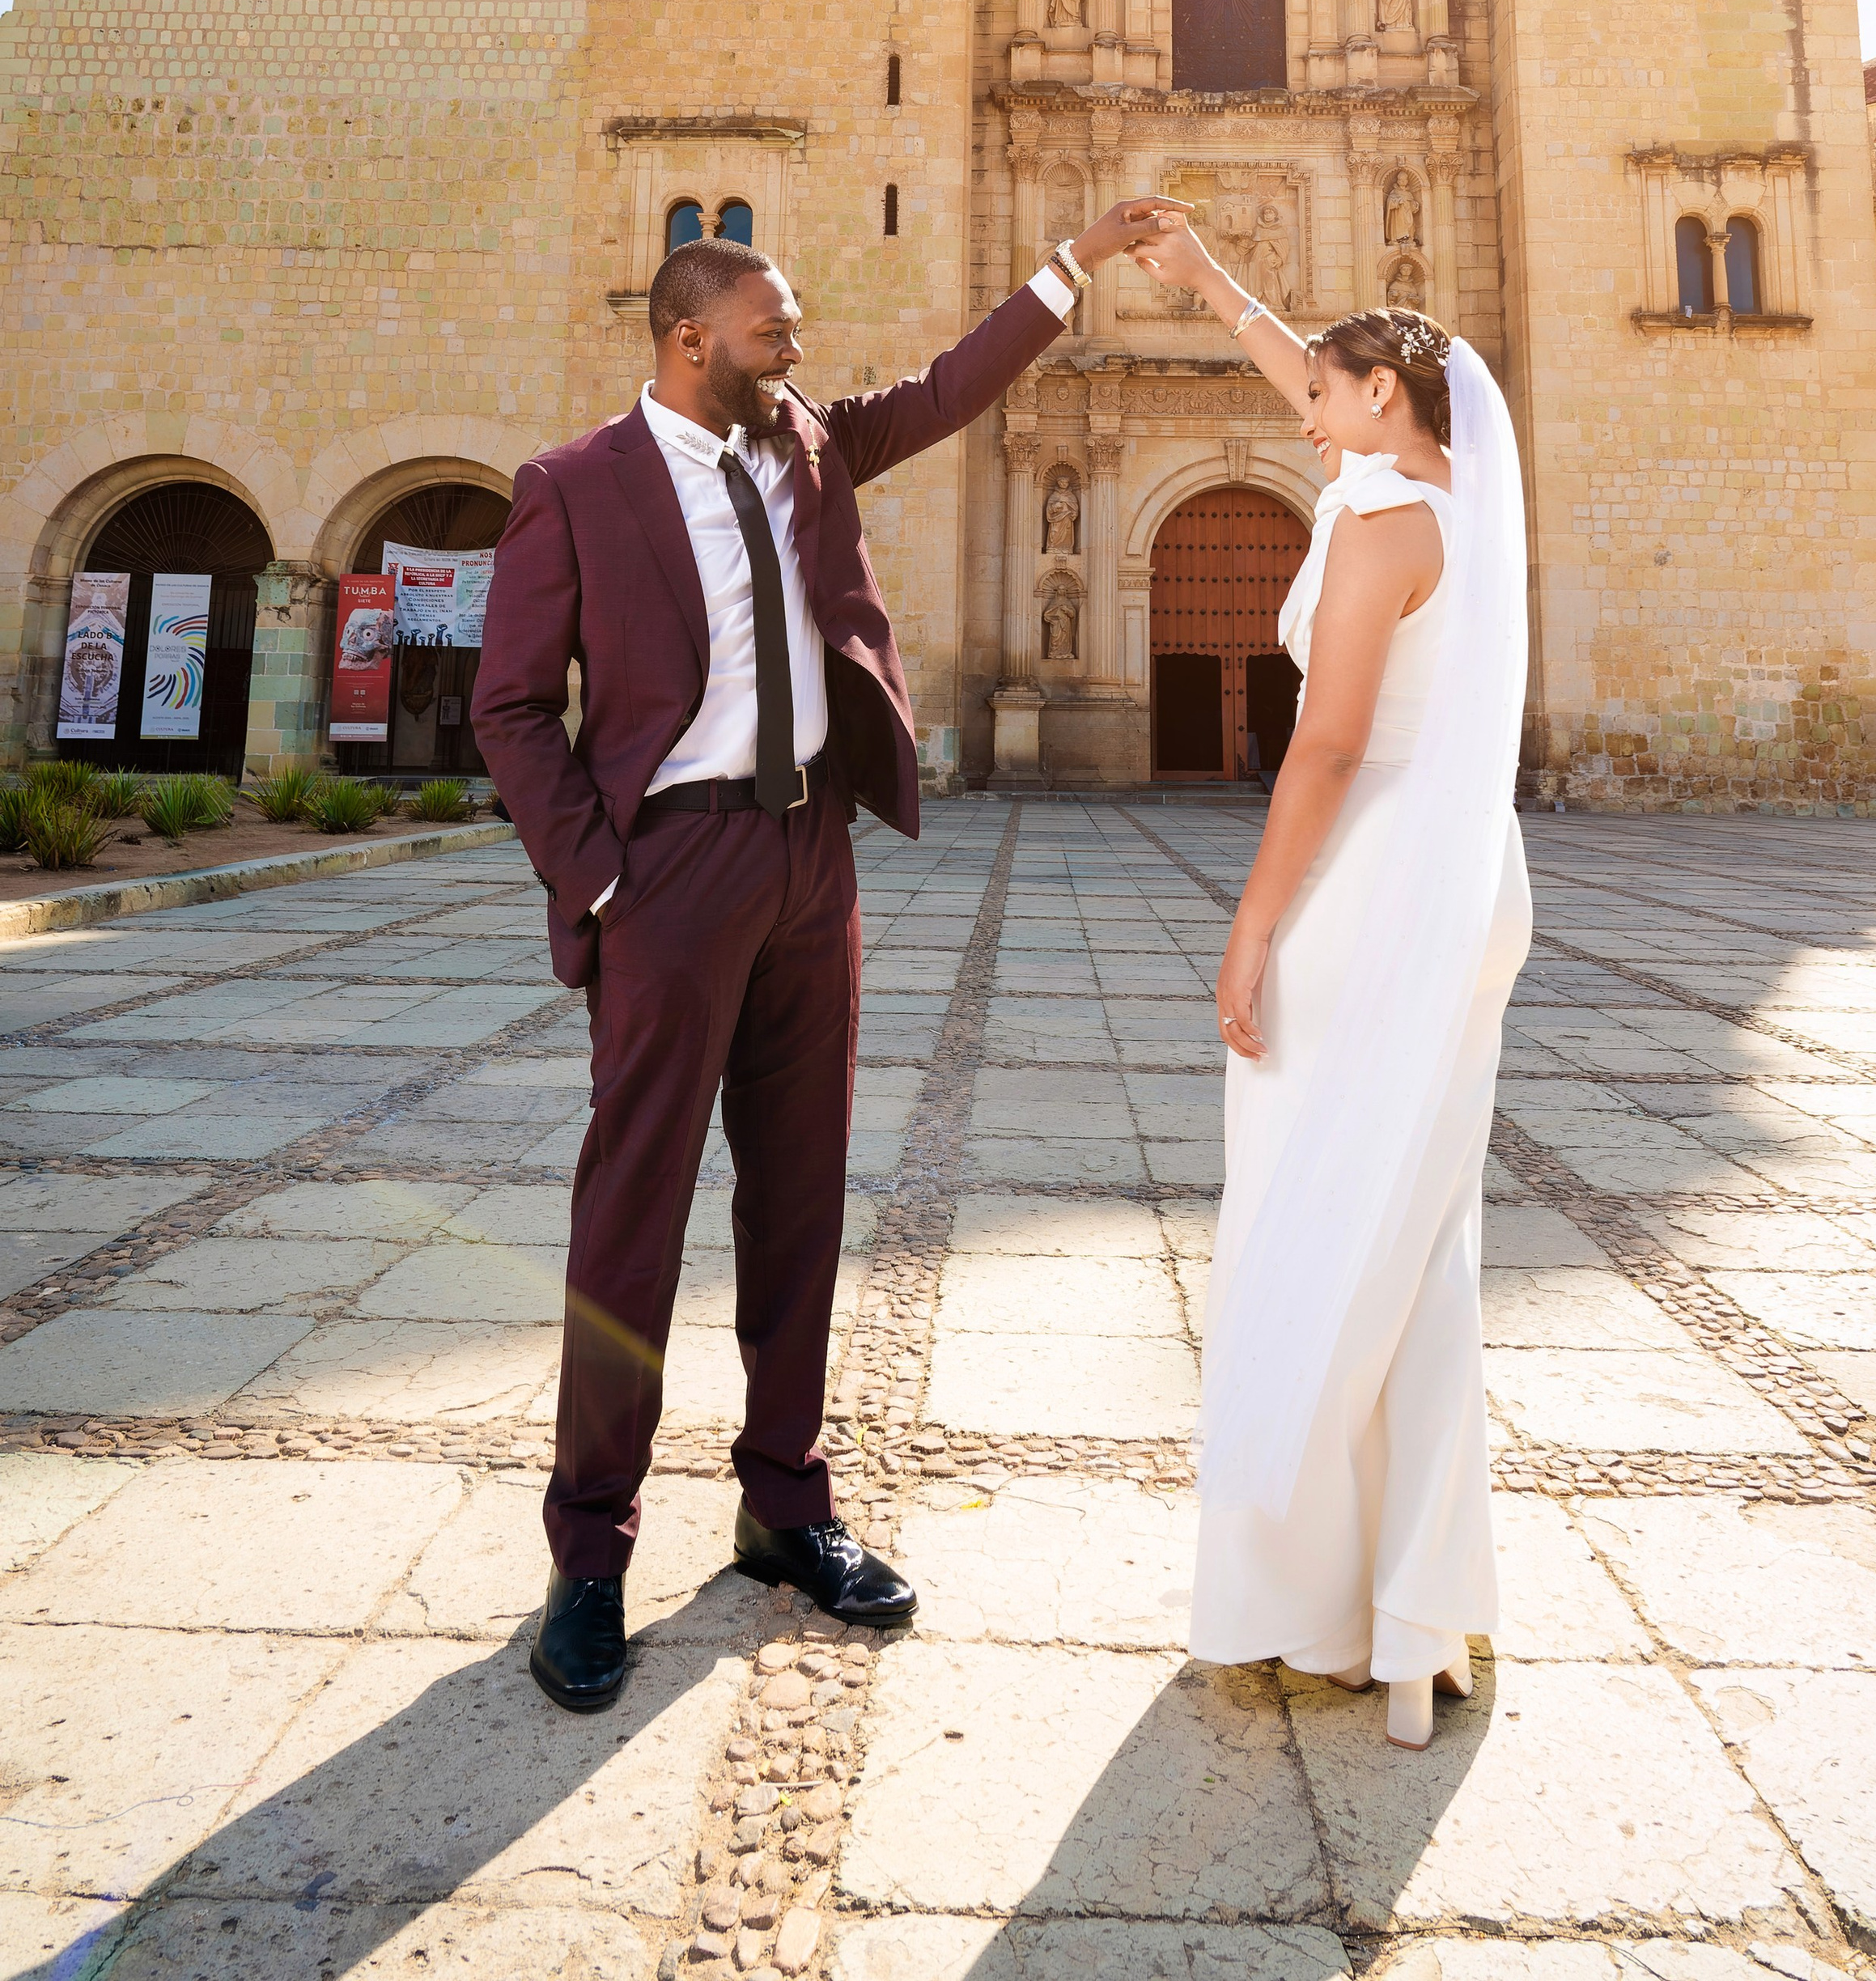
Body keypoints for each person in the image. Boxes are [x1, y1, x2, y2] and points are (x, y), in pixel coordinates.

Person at [473, 199, 1183, 1716]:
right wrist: (603, 880)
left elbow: (944, 389)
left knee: (800, 1194)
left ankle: (786, 1503)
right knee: (634, 1210)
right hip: (670, 873)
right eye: (772, 328)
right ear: (691, 339)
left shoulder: (804, 443)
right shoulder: (573, 486)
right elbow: (511, 708)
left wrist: (1071, 262)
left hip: (810, 862)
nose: (796, 346)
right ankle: (589, 1553)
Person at [1129, 214, 1530, 1750]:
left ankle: (1310, 1609)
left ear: (1383, 395)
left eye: (1323, 389)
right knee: (1420, 1243)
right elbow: (1301, 361)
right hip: (1475, 879)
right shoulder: (1462, 504)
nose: (1299, 406)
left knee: (1306, 1221)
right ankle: (1421, 1615)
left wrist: (1252, 923)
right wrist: (1210, 281)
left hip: (1372, 890)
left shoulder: (1375, 527)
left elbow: (1331, 742)